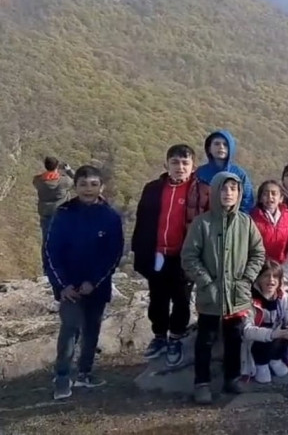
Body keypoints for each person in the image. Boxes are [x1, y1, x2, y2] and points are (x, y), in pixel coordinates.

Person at [182, 172, 266, 405]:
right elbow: (189, 257)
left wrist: (246, 279)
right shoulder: (202, 223)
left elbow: (258, 253)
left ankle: (232, 378)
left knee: (234, 337)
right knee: (206, 339)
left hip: (237, 294)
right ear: (215, 191)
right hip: (210, 293)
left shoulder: (245, 222)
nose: (228, 193)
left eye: (233, 189)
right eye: (223, 188)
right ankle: (202, 384)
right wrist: (206, 282)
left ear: (239, 193)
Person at [44, 165, 124, 400]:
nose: (88, 189)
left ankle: (85, 373)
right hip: (68, 286)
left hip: (96, 286)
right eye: (83, 184)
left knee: (92, 329)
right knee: (70, 328)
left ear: (101, 187)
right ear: (75, 186)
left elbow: (114, 254)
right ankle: (61, 376)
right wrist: (62, 285)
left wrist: (95, 282)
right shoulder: (64, 214)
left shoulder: (110, 217)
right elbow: (50, 252)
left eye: (93, 184)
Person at [132, 144, 210, 367]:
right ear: (166, 164)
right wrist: (140, 253)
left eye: (185, 163)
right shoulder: (153, 189)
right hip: (157, 254)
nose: (180, 167)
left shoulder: (202, 191)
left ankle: (176, 337)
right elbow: (142, 221)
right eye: (175, 162)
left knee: (181, 299)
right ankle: (159, 337)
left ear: (193, 166)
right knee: (157, 298)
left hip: (185, 256)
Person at [241, 261, 288, 384]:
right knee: (268, 332)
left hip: (277, 339)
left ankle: (275, 358)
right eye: (266, 276)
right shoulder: (249, 300)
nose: (271, 280)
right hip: (256, 344)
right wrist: (272, 334)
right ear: (258, 278)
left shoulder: (283, 298)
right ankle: (261, 363)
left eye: (275, 276)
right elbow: (247, 330)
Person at [194, 130, 254, 214]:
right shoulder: (201, 172)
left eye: (225, 144)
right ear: (209, 148)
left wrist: (239, 219)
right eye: (217, 144)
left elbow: (247, 199)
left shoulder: (239, 173)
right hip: (205, 220)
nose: (221, 147)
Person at [250, 180, 288, 263]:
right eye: (265, 194)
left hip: (283, 264)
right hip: (260, 264)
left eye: (274, 193)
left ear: (281, 199)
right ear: (260, 199)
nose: (270, 197)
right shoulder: (253, 218)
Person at [33, 156, 74, 248]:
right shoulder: (65, 181)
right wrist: (69, 171)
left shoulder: (38, 181)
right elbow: (77, 181)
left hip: (45, 213)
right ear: (57, 167)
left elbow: (38, 179)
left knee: (47, 240)